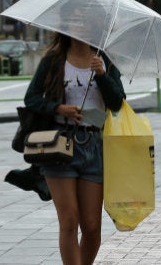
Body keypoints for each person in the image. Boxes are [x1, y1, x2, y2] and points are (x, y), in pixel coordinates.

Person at [24, 30, 125, 264]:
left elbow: (118, 102)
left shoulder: (104, 60)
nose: (81, 29)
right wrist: (58, 108)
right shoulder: (54, 59)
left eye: (86, 23)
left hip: (94, 146)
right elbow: (32, 98)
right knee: (69, 220)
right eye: (75, 22)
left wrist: (101, 74)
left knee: (91, 226)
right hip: (60, 145)